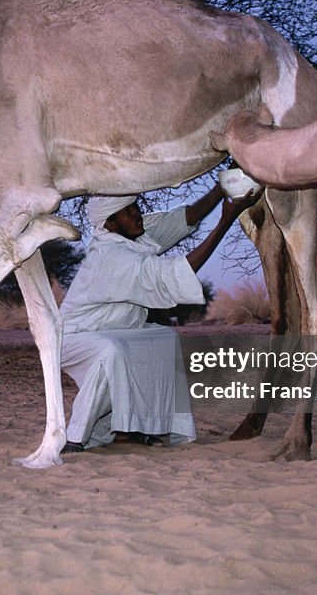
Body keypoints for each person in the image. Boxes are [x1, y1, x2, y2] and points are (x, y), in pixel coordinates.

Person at [60, 181, 261, 452]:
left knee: (163, 339)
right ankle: (75, 437)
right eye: (128, 212)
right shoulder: (112, 257)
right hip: (72, 338)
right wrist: (226, 220)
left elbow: (184, 218)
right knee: (111, 351)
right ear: (110, 223)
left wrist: (221, 187)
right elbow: (172, 275)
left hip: (117, 330)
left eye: (136, 207)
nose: (137, 214)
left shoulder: (133, 237)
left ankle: (150, 426)